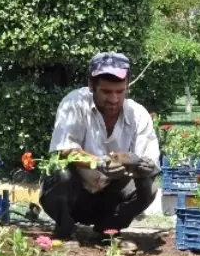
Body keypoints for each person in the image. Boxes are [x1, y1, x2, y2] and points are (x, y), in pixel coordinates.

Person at [40, 52, 161, 241]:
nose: (113, 99)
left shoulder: (137, 114)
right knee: (60, 173)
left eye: (120, 91)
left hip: (110, 199)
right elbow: (64, 151)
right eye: (106, 92)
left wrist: (145, 167)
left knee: (148, 185)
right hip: (76, 194)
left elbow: (151, 159)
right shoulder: (74, 104)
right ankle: (65, 230)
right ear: (91, 85)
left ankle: (107, 231)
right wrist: (99, 163)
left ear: (127, 86)